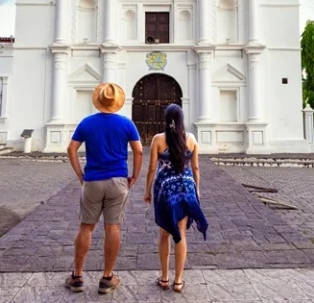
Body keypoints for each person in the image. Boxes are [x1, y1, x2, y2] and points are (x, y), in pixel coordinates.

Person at [65, 82, 143, 295]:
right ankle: (107, 278)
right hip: (118, 180)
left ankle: (77, 276)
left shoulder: (87, 123)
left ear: (98, 100)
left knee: (86, 227)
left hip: (92, 180)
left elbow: (71, 149)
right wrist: (135, 175)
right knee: (113, 228)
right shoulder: (126, 124)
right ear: (117, 101)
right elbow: (138, 151)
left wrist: (80, 174)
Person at [144, 103, 208, 293]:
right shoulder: (191, 139)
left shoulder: (158, 139)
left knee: (164, 233)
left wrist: (147, 191)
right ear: (181, 120)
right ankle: (178, 281)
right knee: (181, 233)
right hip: (186, 188)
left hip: (165, 190)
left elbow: (152, 168)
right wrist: (197, 189)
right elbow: (195, 168)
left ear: (166, 119)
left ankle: (164, 278)